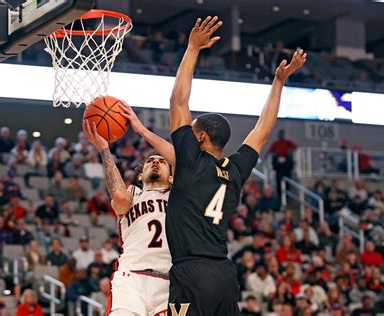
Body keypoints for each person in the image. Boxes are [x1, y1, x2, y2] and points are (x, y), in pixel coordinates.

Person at [166, 16, 306, 315]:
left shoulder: (191, 161)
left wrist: (192, 49)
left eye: (191, 130)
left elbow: (179, 101)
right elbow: (262, 130)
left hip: (192, 272)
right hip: (224, 275)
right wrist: (279, 82)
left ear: (200, 137)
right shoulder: (236, 169)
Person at [82, 101, 175, 316]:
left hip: (169, 281)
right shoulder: (133, 193)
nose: (155, 162)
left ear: (171, 175)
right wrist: (104, 149)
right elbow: (119, 196)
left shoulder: (179, 195)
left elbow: (180, 160)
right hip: (131, 277)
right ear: (140, 175)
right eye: (150, 160)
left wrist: (141, 129)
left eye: (161, 161)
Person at [268, 130, 297, 195]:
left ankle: (286, 196)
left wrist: (290, 150)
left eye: (282, 134)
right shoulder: (275, 143)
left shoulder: (287, 142)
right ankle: (280, 196)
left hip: (286, 166)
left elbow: (295, 146)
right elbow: (269, 151)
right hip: (279, 167)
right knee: (279, 182)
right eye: (280, 134)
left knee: (287, 182)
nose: (281, 135)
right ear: (278, 135)